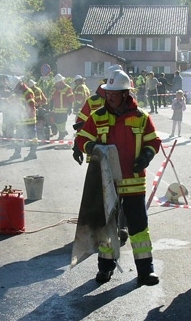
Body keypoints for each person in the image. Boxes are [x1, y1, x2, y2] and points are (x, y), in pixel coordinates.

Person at [76, 69, 162, 286]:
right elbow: (82, 138)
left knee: (138, 228)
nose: (109, 97)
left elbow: (153, 141)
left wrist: (146, 156)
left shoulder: (141, 117)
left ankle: (146, 271)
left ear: (125, 94)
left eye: (114, 93)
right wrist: (91, 147)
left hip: (134, 183)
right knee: (107, 227)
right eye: (108, 93)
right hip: (108, 183)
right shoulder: (98, 116)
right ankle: (105, 268)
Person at [6, 76, 38, 160]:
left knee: (32, 137)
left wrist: (26, 113)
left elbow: (31, 105)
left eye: (15, 87)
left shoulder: (27, 92)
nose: (14, 89)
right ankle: (17, 153)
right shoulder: (17, 93)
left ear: (19, 84)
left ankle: (32, 153)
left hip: (29, 119)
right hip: (20, 120)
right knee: (18, 137)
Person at [50, 73, 74, 140]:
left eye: (57, 83)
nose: (56, 84)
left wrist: (70, 108)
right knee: (56, 121)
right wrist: (51, 106)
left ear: (60, 82)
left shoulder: (67, 88)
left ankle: (61, 135)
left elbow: (71, 98)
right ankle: (63, 132)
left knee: (62, 123)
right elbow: (52, 98)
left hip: (64, 110)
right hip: (56, 109)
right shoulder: (55, 88)